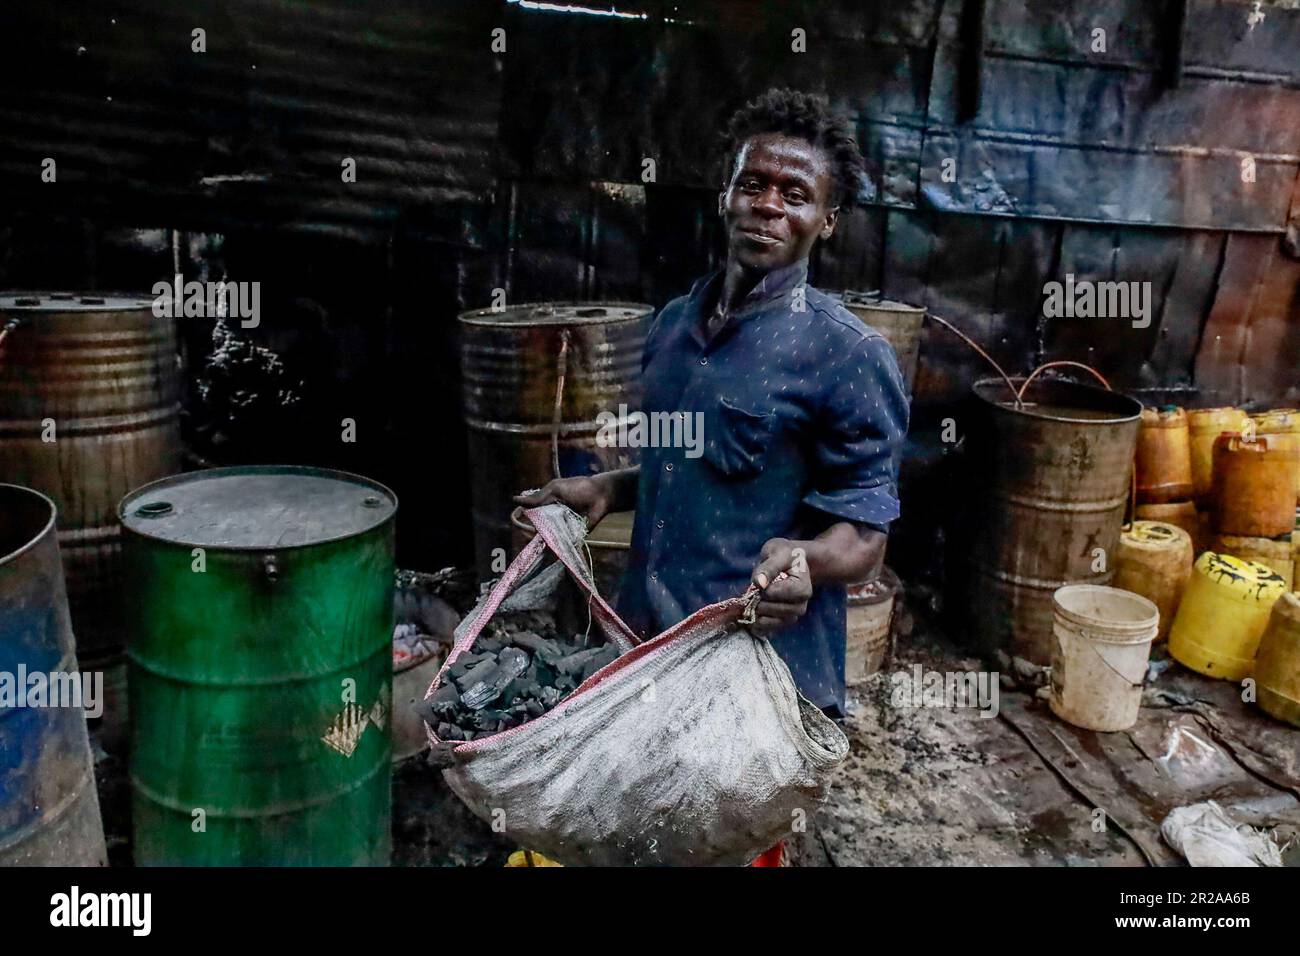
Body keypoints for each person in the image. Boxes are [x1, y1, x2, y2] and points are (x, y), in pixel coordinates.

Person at [515, 88, 909, 723]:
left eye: (796, 194)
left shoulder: (848, 355)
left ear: (828, 220)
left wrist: (806, 559)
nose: (768, 206)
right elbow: (691, 460)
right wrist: (609, 490)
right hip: (645, 640)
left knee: (742, 823)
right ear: (724, 193)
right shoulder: (672, 327)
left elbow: (864, 536)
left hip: (759, 673)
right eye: (752, 183)